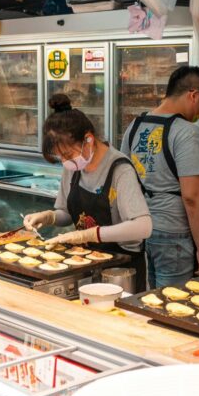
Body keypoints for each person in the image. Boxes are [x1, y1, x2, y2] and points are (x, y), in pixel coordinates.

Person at [24, 94, 152, 291]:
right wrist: (48, 217)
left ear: (88, 140)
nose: (65, 161)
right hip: (82, 264)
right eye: (60, 157)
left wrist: (89, 235)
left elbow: (143, 227)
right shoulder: (73, 166)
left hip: (120, 271)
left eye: (67, 155)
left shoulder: (120, 170)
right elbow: (66, 213)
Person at [121, 66, 199, 288]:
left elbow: (124, 180)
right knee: (172, 305)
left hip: (140, 228)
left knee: (146, 299)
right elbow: (192, 197)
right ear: (193, 95)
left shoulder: (135, 126)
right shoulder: (186, 132)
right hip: (173, 233)